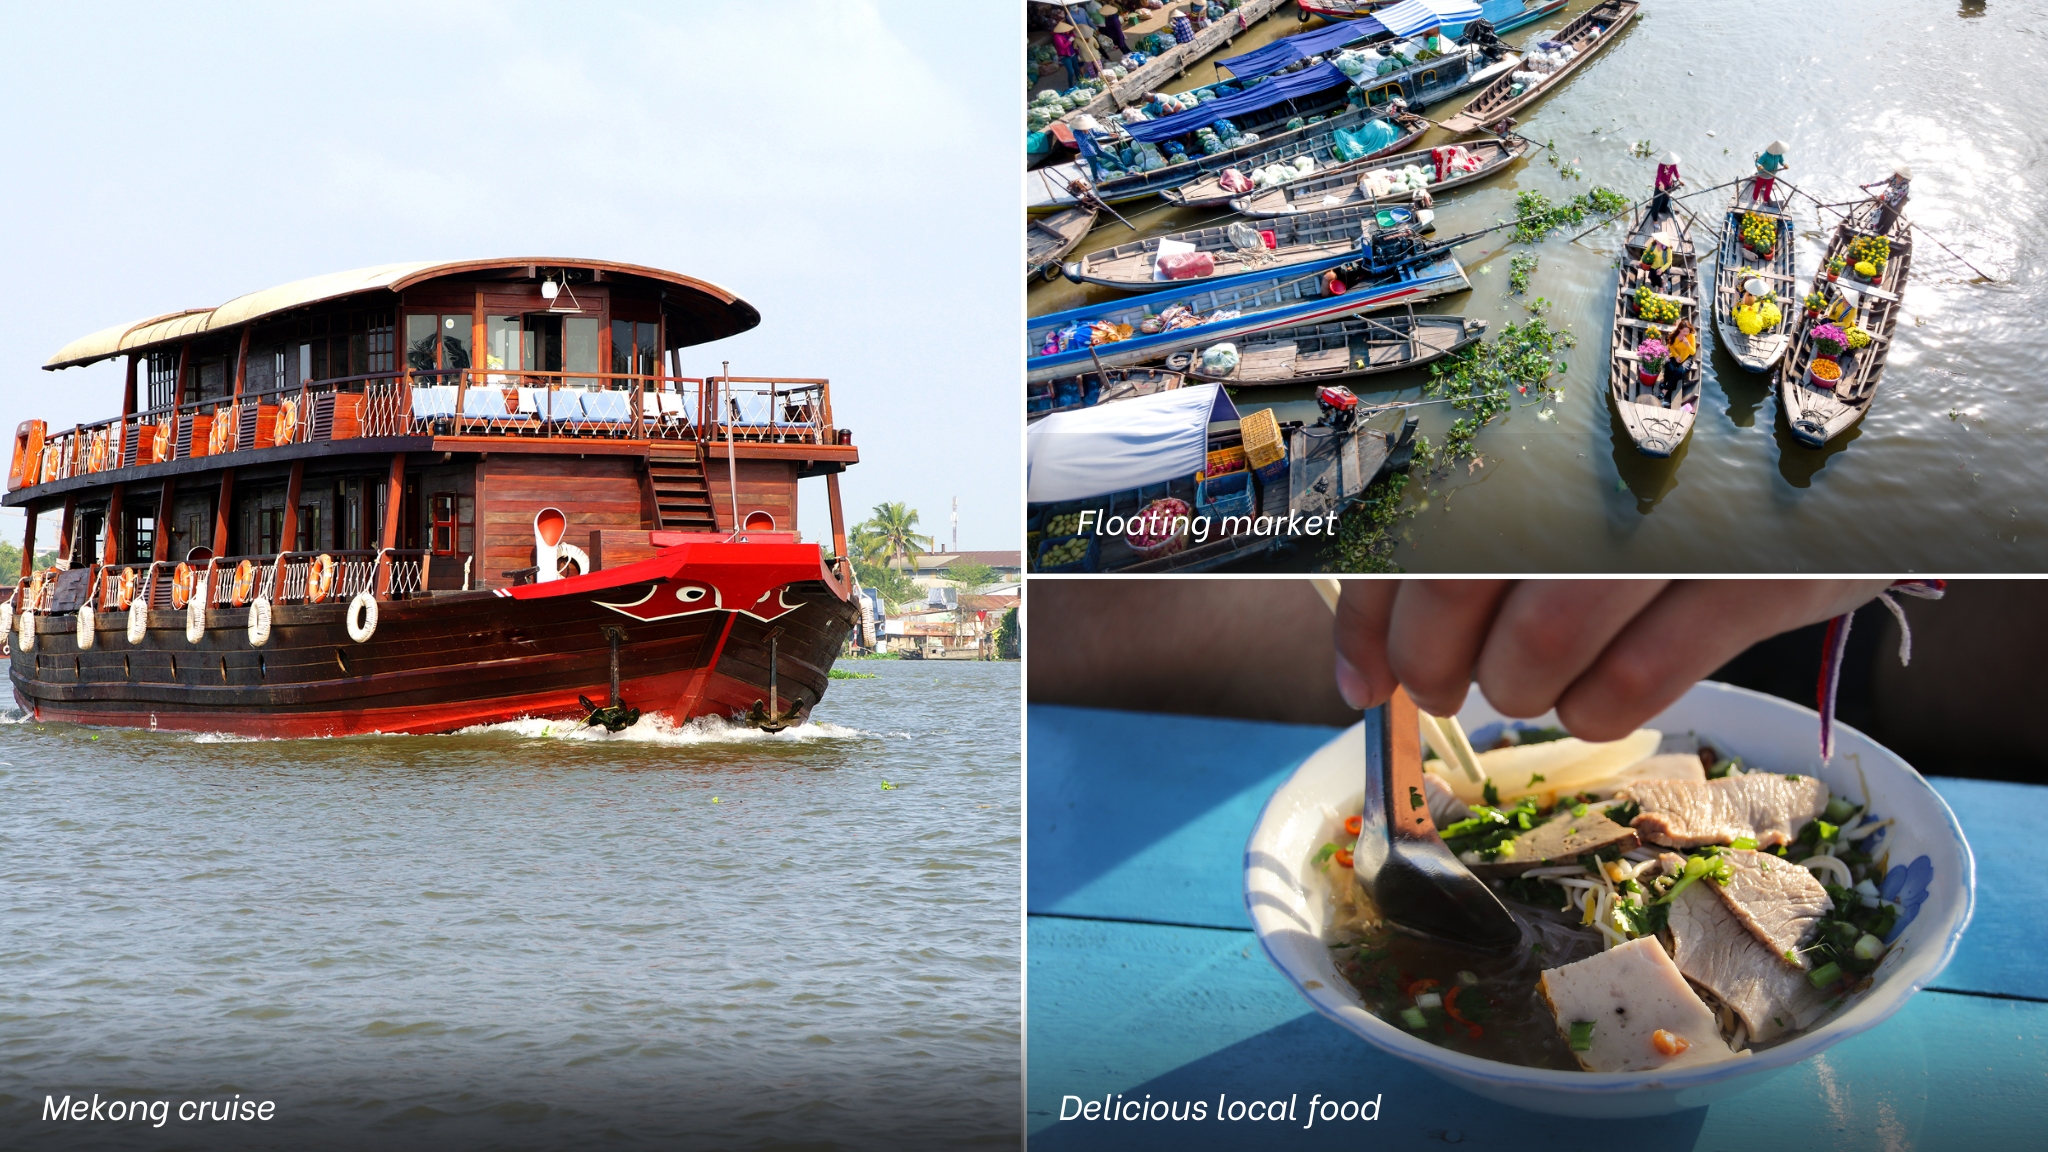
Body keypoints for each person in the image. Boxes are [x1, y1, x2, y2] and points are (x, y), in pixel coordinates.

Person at [1660, 319, 1697, 402]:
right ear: (1680, 330)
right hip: (1676, 355)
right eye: (1684, 331)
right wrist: (1676, 356)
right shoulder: (1674, 334)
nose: (1686, 333)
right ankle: (1665, 380)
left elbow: (1693, 352)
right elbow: (1671, 346)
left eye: (1687, 331)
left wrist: (1688, 345)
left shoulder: (1691, 337)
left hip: (1686, 357)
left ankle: (1665, 389)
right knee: (1669, 367)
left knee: (1679, 371)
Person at [1872, 164, 1911, 235]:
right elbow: (1882, 182)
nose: (1895, 173)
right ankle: (1877, 226)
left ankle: (1883, 232)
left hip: (1899, 202)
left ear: (1901, 175)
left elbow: (1895, 193)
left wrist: (1883, 197)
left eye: (1898, 172)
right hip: (1890, 199)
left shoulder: (1905, 185)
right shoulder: (1894, 178)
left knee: (1891, 217)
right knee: (1884, 212)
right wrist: (1868, 185)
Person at [1752, 139, 1789, 205]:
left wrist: (1784, 164)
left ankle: (1765, 201)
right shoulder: (1766, 155)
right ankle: (1754, 199)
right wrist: (1759, 166)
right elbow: (1758, 163)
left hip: (1772, 175)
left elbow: (1782, 161)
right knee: (1758, 187)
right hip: (1763, 174)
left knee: (1768, 189)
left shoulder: (1779, 154)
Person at [1651, 151, 1682, 216]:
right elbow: (1658, 177)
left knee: (1665, 199)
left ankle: (1660, 211)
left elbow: (1676, 173)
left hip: (1669, 185)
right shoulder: (1661, 165)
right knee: (1657, 201)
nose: (1668, 164)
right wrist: (1660, 184)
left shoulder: (1673, 165)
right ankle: (1655, 218)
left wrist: (1679, 180)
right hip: (1660, 186)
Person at [1052, 22, 1080, 88]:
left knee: (1076, 69)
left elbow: (1071, 37)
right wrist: (1070, 41)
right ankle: (1071, 86)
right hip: (1065, 56)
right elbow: (1063, 46)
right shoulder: (1057, 37)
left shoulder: (1065, 34)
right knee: (1071, 72)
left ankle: (1080, 81)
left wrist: (1073, 35)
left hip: (1072, 54)